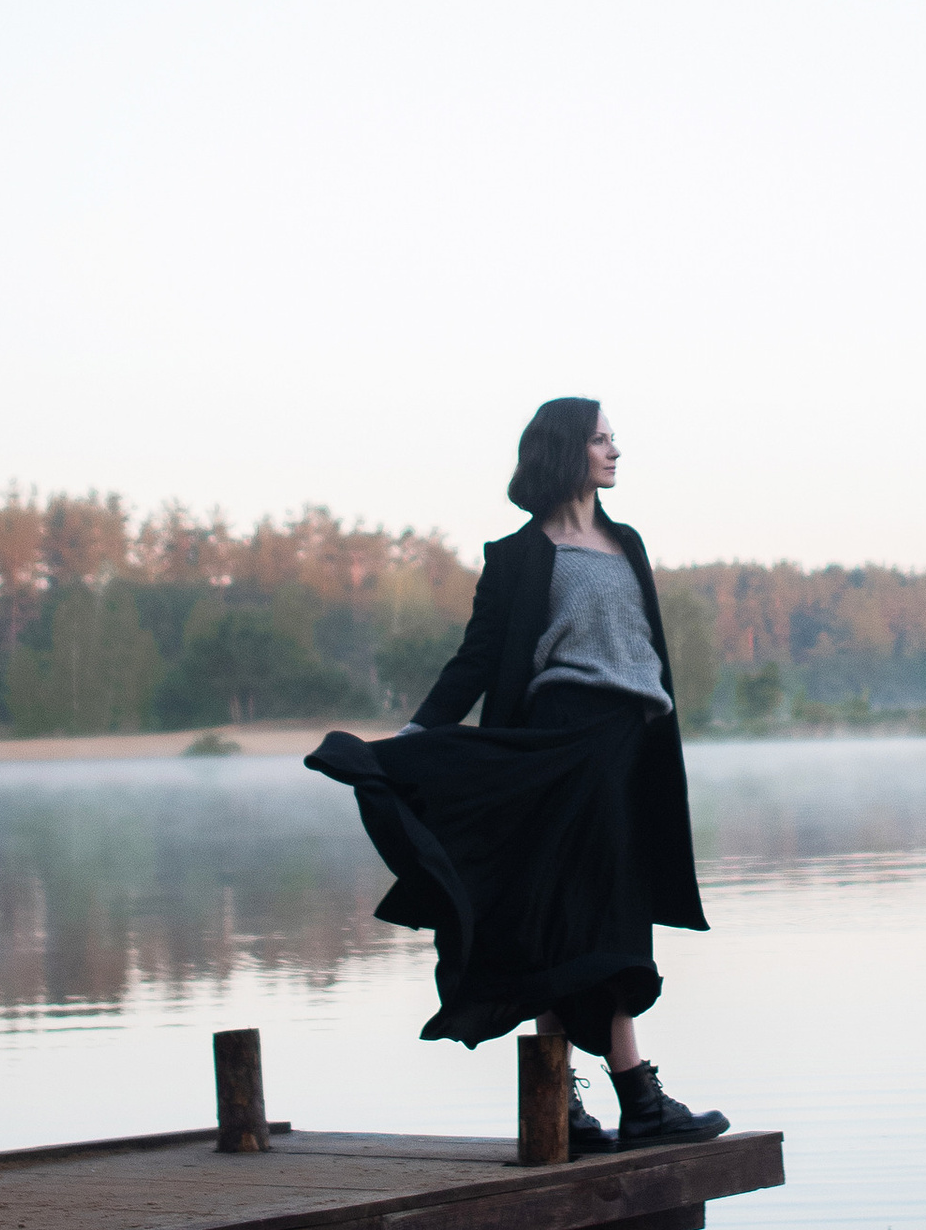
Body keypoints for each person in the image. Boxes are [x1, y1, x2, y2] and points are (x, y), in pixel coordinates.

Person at [306, 400, 727, 1156]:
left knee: (572, 916)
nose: (615, 451)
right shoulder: (517, 556)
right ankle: (633, 1103)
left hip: (626, 749)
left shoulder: (627, 542)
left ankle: (568, 1109)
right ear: (566, 450)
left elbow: (644, 651)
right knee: (577, 919)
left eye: (613, 439)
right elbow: (476, 659)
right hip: (556, 741)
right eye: (600, 439)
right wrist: (415, 738)